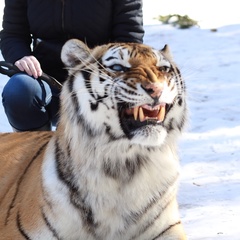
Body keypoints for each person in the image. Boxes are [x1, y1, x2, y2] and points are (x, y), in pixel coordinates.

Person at [0, 0, 144, 131]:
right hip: (44, 78)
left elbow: (129, 42)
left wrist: (92, 82)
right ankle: (34, 152)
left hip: (99, 83)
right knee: (19, 89)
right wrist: (21, 57)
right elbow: (12, 34)